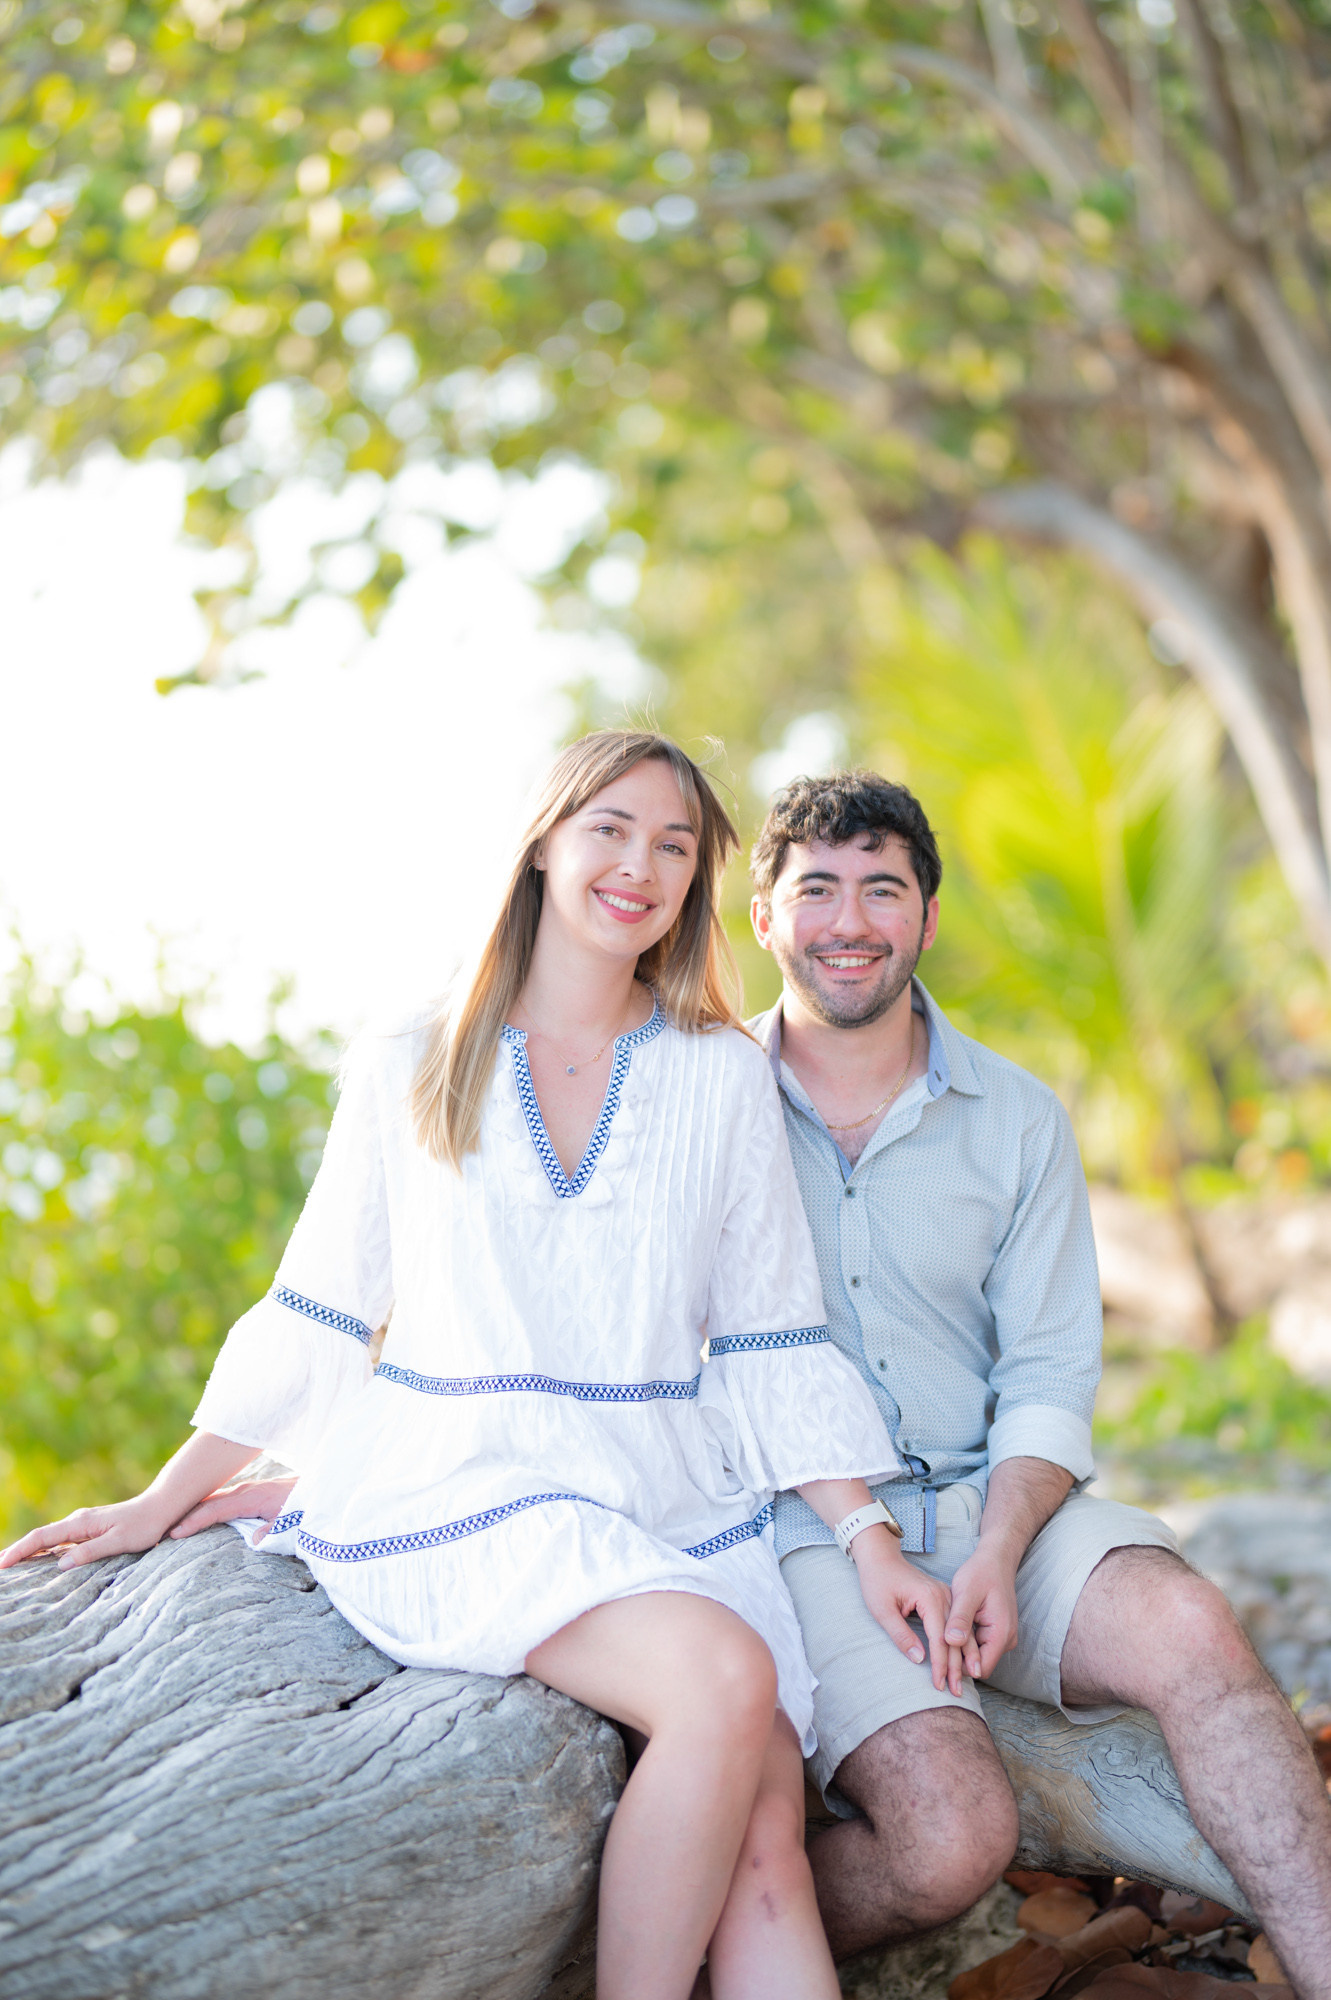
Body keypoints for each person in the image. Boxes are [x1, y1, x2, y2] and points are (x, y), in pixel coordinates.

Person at [1, 732, 971, 2000]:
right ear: (542, 843)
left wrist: (865, 1536)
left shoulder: (721, 1073)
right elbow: (319, 1310)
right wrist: (160, 1499)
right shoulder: (413, 1053)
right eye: (609, 828)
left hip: (665, 1490)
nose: (639, 866)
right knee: (722, 1679)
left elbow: (766, 1335)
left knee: (765, 1832)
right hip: (466, 1479)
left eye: (674, 845)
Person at [747, 768, 1331, 1997]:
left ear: (926, 915)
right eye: (816, 889)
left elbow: (1049, 1370)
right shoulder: (703, 1108)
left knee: (1191, 1623)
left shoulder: (1015, 1117)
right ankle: (679, 1953)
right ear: (762, 917)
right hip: (799, 1531)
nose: (848, 919)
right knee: (948, 1838)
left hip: (992, 1502)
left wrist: (1000, 1547)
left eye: (881, 888)